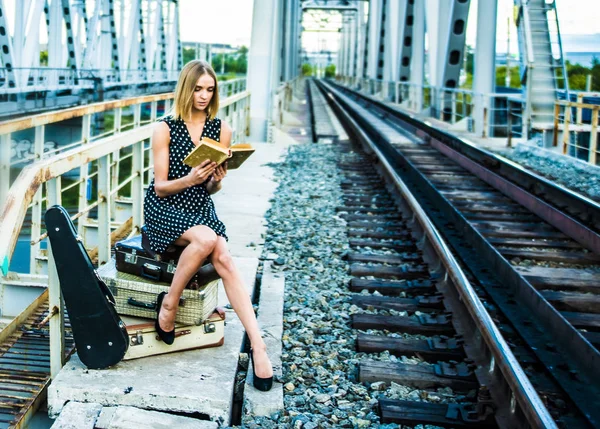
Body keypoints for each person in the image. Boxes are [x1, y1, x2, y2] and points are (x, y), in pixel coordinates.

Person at [143, 60, 273, 391]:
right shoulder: (165, 128)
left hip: (199, 206)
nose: (204, 95)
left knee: (224, 257)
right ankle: (170, 303)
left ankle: (259, 345)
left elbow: (211, 191)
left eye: (210, 89)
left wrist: (216, 179)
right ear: (187, 88)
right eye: (198, 88)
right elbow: (159, 185)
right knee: (206, 240)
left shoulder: (221, 129)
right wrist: (190, 178)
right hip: (165, 205)